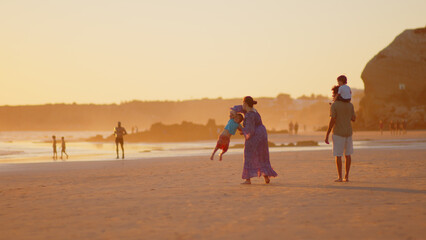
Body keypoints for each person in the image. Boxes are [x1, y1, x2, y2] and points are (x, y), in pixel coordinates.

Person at [231, 96, 278, 184]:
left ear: (245, 104)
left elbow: (250, 130)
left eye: (243, 103)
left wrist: (242, 131)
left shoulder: (249, 115)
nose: (242, 105)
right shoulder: (253, 111)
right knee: (262, 155)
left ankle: (247, 179)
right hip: (263, 134)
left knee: (248, 154)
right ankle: (266, 177)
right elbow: (239, 108)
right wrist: (234, 111)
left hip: (256, 134)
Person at [325, 85, 356, 182]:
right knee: (348, 155)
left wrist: (327, 134)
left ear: (338, 94)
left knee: (338, 155)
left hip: (338, 133)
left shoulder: (334, 105)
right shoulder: (350, 105)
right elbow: (353, 118)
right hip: (348, 132)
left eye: (333, 94)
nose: (333, 96)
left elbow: (332, 120)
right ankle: (346, 176)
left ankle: (339, 176)